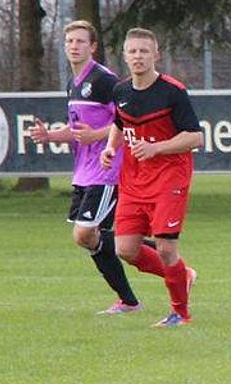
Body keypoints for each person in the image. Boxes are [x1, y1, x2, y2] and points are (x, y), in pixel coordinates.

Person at [29, 20, 142, 315]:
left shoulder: (105, 80)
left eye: (80, 42)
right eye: (69, 42)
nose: (74, 47)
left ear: (92, 47)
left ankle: (146, 280)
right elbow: (79, 129)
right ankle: (144, 274)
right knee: (93, 237)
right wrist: (51, 136)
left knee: (84, 234)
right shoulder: (72, 83)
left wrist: (98, 137)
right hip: (83, 171)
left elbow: (127, 120)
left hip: (107, 169)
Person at [100, 27, 203, 328]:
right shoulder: (120, 91)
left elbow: (195, 138)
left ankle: (180, 314)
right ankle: (182, 275)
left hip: (169, 178)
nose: (138, 56)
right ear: (125, 56)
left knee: (166, 247)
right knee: (126, 249)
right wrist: (109, 147)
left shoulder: (172, 91)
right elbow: (119, 123)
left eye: (144, 51)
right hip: (133, 181)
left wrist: (157, 148)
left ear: (156, 55)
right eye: (132, 51)